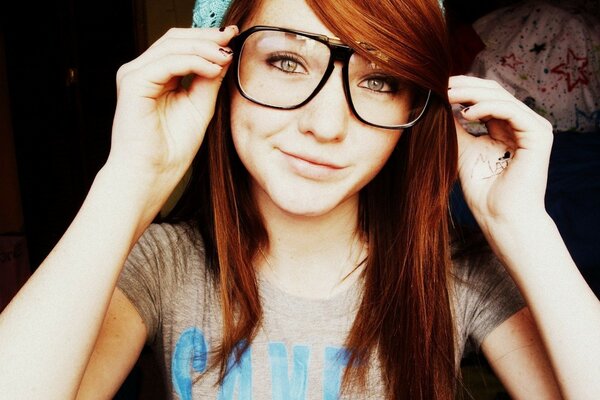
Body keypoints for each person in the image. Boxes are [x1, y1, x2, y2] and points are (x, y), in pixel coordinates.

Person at [0, 0, 599, 398]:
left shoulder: (455, 277)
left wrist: (523, 225)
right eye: (286, 61)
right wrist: (130, 178)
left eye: (379, 79)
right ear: (221, 72)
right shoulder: (162, 263)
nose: (328, 123)